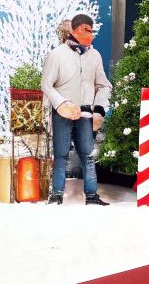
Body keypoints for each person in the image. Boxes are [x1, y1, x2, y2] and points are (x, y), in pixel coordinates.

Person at [41, 13, 111, 205]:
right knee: (61, 153)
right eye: (85, 30)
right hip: (63, 112)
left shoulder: (94, 56)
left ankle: (91, 195)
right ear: (73, 30)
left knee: (88, 154)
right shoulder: (56, 55)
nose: (90, 34)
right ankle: (56, 194)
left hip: (86, 112)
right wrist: (61, 104)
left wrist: (99, 110)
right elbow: (46, 85)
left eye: (91, 30)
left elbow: (104, 85)